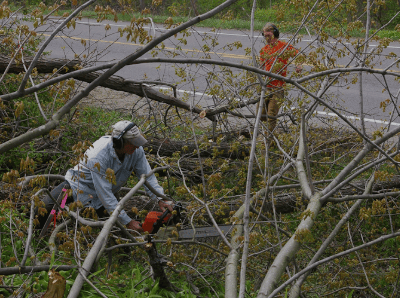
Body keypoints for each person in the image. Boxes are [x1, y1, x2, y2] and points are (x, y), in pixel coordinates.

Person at [39, 120, 173, 232]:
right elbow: (104, 193)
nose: (137, 147)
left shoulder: (136, 151)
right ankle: (38, 235)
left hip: (103, 196)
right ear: (120, 142)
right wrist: (127, 221)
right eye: (133, 143)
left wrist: (160, 198)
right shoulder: (99, 156)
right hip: (76, 186)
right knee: (46, 209)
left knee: (112, 232)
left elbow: (147, 177)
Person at [258, 22, 302, 133]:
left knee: (271, 114)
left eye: (269, 35)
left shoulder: (283, 46)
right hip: (266, 86)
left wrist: (298, 64)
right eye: (265, 35)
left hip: (278, 87)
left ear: (275, 34)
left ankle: (269, 138)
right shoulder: (264, 50)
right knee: (261, 114)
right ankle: (267, 132)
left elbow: (298, 54)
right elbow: (262, 68)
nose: (267, 38)